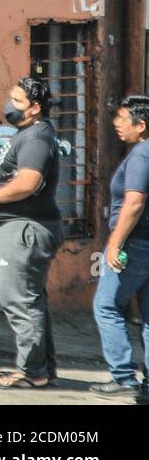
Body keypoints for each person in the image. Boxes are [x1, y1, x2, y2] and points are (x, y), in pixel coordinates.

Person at [0, 76, 63, 388]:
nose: (9, 105)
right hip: (21, 226)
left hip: (25, 229)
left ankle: (31, 372)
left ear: (35, 107)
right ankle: (42, 369)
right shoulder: (30, 134)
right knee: (30, 301)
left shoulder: (36, 138)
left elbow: (28, 183)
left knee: (19, 301)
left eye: (17, 101)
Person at [90, 95, 149, 400]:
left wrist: (115, 243)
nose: (116, 123)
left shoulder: (141, 155)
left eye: (122, 119)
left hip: (135, 243)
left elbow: (134, 202)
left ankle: (124, 376)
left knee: (106, 305)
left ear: (141, 125)